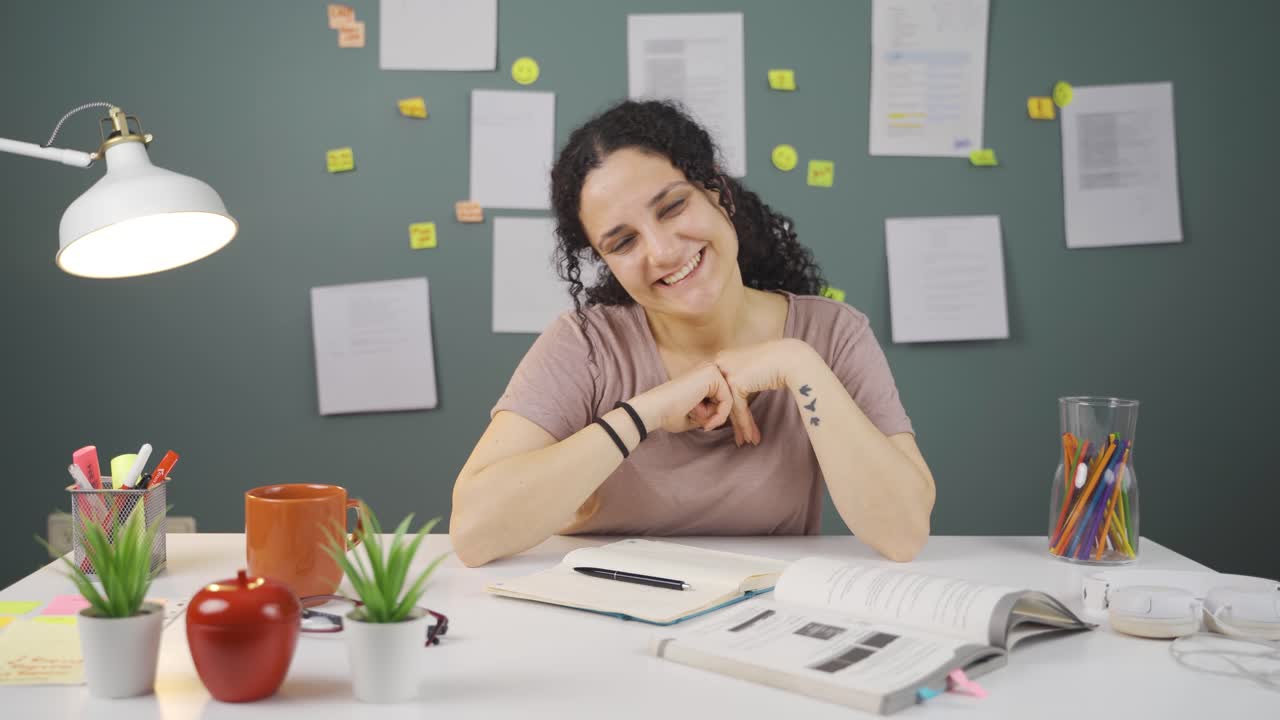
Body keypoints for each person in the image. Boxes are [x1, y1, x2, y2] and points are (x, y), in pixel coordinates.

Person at [450, 100, 934, 567]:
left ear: (717, 191)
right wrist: (647, 412)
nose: (661, 252)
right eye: (623, 242)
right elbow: (474, 533)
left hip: (763, 624)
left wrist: (798, 363)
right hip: (602, 619)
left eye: (672, 207)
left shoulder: (832, 334)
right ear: (608, 264)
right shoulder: (585, 346)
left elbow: (903, 533)